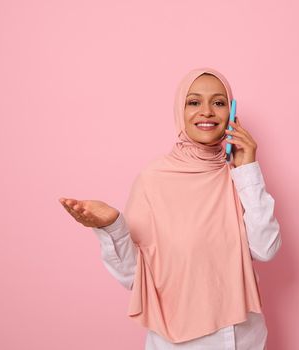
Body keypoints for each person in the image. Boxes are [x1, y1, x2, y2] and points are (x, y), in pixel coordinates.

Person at [59, 67, 282, 349]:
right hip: (178, 341)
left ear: (231, 112)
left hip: (245, 338)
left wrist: (248, 169)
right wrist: (112, 226)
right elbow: (134, 277)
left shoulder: (238, 177)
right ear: (180, 110)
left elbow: (266, 249)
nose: (207, 112)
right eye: (193, 102)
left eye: (218, 102)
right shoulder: (154, 180)